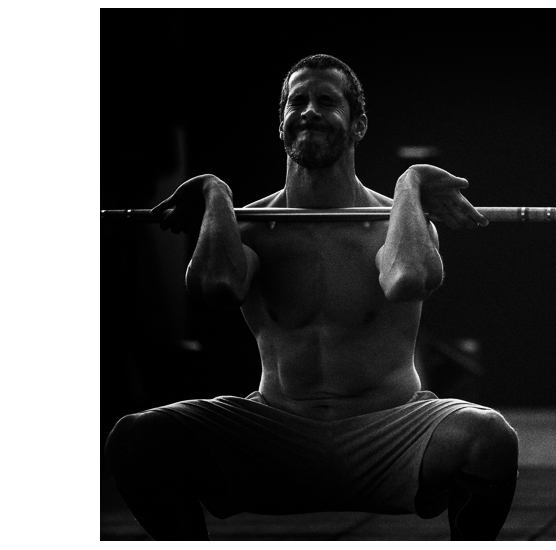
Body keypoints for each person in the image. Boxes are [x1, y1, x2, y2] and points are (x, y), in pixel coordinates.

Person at [103, 54, 519, 541]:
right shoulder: (250, 224)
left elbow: (407, 279)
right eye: (297, 101)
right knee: (134, 439)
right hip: (276, 426)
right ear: (281, 124)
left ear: (358, 123)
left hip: (391, 428)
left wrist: (413, 181)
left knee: (491, 438)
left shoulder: (397, 220)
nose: (309, 111)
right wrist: (217, 194)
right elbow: (214, 289)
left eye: (327, 101)